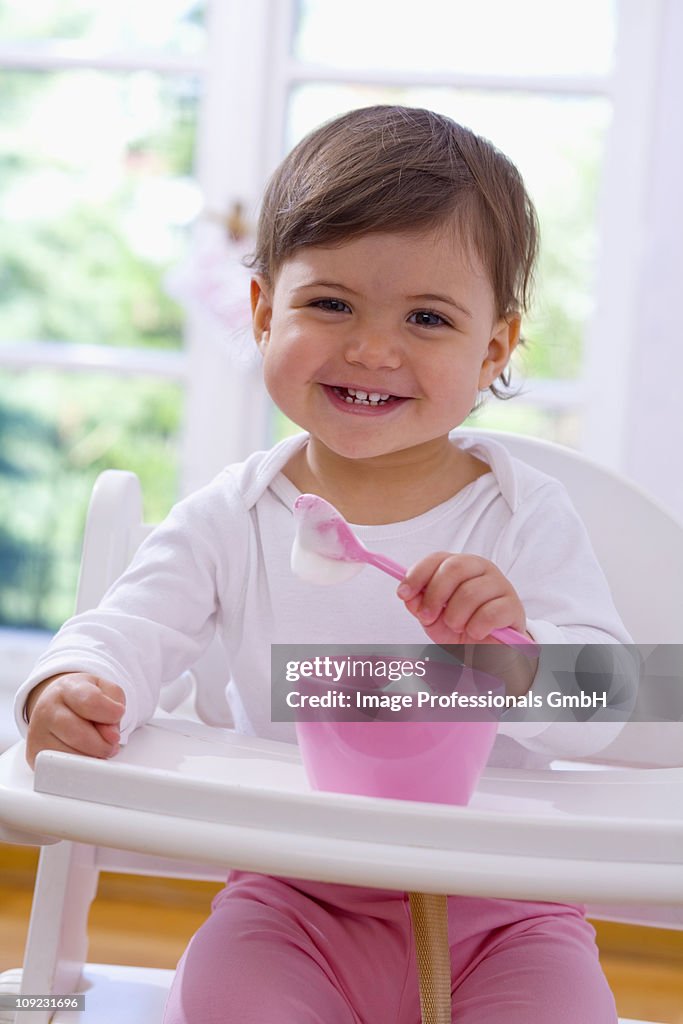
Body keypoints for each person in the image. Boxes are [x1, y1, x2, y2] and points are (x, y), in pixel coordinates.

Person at [14, 105, 629, 1023]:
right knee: (226, 997)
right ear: (264, 311)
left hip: (505, 908)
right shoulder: (235, 515)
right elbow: (129, 627)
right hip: (295, 902)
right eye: (330, 303)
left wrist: (517, 654)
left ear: (493, 347)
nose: (372, 348)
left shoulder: (519, 511)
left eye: (427, 317)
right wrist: (73, 682)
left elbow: (610, 703)